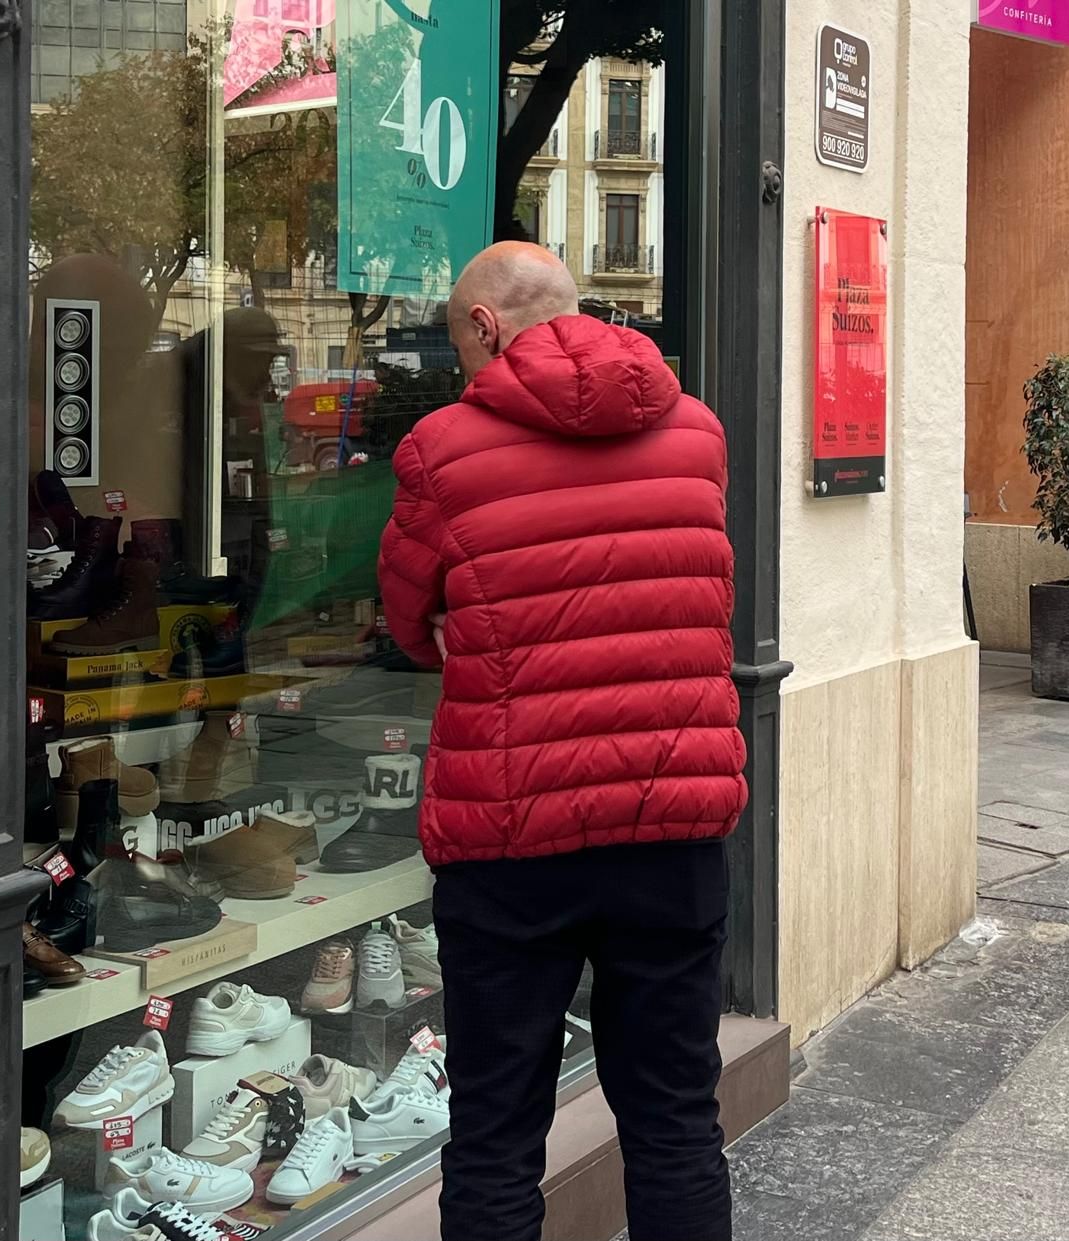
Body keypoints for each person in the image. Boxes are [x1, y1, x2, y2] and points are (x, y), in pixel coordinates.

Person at [378, 241, 747, 1241]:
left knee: (495, 1126)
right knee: (674, 1114)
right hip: (671, 824)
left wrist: (458, 621)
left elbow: (408, 619)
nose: (463, 366)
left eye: (462, 340)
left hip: (511, 834)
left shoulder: (442, 448)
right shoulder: (698, 432)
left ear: (487, 326)